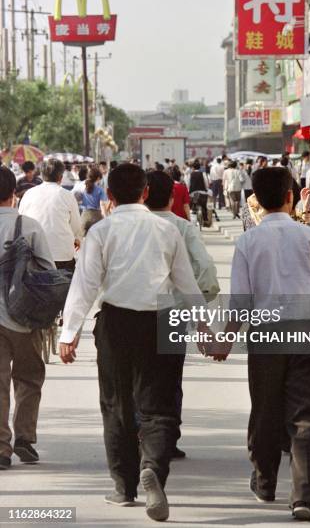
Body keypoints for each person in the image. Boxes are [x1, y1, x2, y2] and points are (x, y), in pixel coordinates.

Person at [59, 163, 207, 521]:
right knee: (161, 405)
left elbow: (85, 285)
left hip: (117, 323)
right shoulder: (167, 229)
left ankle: (123, 487)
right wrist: (206, 328)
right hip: (163, 319)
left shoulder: (101, 231)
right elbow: (187, 283)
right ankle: (153, 466)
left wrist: (69, 333)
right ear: (145, 193)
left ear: (109, 196)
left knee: (117, 404)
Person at [213, 167, 310, 522]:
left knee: (266, 408)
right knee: (307, 414)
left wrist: (225, 339)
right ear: (291, 196)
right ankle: (302, 497)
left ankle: (265, 482)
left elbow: (241, 301)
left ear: (257, 200)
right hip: (308, 330)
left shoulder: (248, 241)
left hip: (266, 333)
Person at [145, 170, 220, 458]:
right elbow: (205, 269)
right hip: (174, 310)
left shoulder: (129, 226)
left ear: (144, 193)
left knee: (138, 374)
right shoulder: (184, 228)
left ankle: (141, 431)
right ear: (174, 197)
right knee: (170, 376)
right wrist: (203, 305)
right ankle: (167, 437)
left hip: (133, 312)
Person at [0, 166, 55, 470]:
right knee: (30, 378)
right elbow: (47, 271)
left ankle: (1, 448)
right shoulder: (29, 226)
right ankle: (24, 436)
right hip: (23, 317)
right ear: (14, 194)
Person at [19, 159, 81, 272]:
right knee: (64, 287)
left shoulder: (29, 194)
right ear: (60, 177)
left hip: (34, 255)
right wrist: (75, 238)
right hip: (62, 256)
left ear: (42, 175)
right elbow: (76, 226)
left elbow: (21, 221)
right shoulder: (67, 195)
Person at [75, 167, 109, 236]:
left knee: (82, 240)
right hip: (97, 216)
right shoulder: (100, 190)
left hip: (85, 215)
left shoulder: (83, 186)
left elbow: (76, 197)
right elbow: (102, 204)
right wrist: (106, 217)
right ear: (98, 178)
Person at [189, 160, 209, 224]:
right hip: (202, 192)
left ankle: (192, 216)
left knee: (192, 206)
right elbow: (206, 183)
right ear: (199, 167)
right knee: (204, 206)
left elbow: (188, 184)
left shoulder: (191, 174)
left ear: (193, 167)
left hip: (193, 193)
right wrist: (206, 189)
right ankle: (205, 219)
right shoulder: (203, 174)